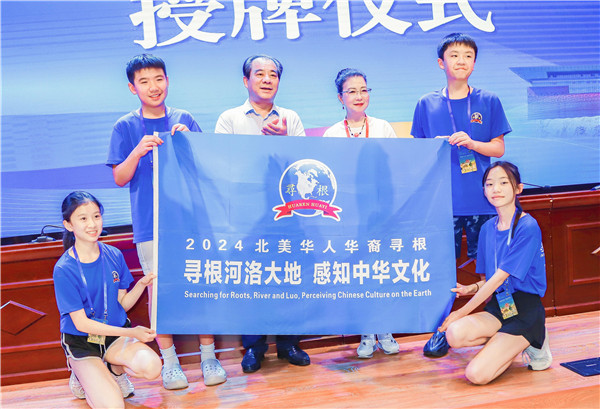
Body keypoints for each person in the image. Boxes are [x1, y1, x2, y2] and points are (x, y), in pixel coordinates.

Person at [107, 54, 226, 389]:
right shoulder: (125, 127)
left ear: (168, 81)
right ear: (132, 88)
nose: (153, 87)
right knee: (160, 293)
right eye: (144, 81)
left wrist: (190, 143)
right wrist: (137, 151)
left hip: (191, 221)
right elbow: (120, 177)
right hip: (151, 225)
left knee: (200, 286)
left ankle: (209, 357)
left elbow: (207, 167)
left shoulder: (184, 118)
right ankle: (170, 363)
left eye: (158, 79)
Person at [411, 33, 512, 355]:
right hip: (442, 205)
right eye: (454, 55)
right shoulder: (426, 103)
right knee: (442, 271)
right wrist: (433, 147)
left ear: (474, 63)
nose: (461, 61)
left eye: (468, 55)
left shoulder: (488, 100)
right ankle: (441, 331)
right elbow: (416, 153)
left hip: (484, 202)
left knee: (492, 270)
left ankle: (510, 325)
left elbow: (498, 148)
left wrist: (472, 143)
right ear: (441, 63)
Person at [215, 54, 309, 373]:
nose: (267, 79)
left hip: (287, 213)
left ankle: (289, 343)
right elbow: (223, 163)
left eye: (273, 74)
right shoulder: (229, 119)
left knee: (290, 277)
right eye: (260, 74)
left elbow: (302, 164)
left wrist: (283, 142)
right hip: (247, 213)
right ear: (246, 80)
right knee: (251, 278)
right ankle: (254, 347)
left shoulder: (291, 118)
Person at [439, 162, 552, 384]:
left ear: (518, 188)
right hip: (500, 306)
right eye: (490, 184)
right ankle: (507, 344)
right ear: (484, 190)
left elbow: (500, 277)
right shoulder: (487, 228)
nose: (496, 189)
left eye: (503, 183)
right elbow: (489, 280)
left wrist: (461, 312)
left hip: (525, 311)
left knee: (476, 375)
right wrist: (471, 288)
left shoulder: (527, 227)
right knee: (454, 334)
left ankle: (534, 339)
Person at [53, 191, 162, 408]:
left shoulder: (114, 255)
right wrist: (132, 333)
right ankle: (83, 376)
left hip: (114, 336)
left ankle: (114, 370)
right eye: (83, 218)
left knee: (152, 367)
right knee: (113, 405)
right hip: (83, 342)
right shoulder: (64, 269)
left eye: (96, 216)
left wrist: (141, 285)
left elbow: (122, 304)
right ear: (68, 225)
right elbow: (82, 324)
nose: (92, 224)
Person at [322, 68, 399, 358]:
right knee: (360, 273)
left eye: (364, 90)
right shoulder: (331, 133)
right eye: (352, 91)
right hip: (348, 215)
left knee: (382, 272)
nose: (359, 96)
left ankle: (385, 329)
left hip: (380, 213)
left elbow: (395, 169)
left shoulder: (383, 127)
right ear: (340, 97)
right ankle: (367, 332)